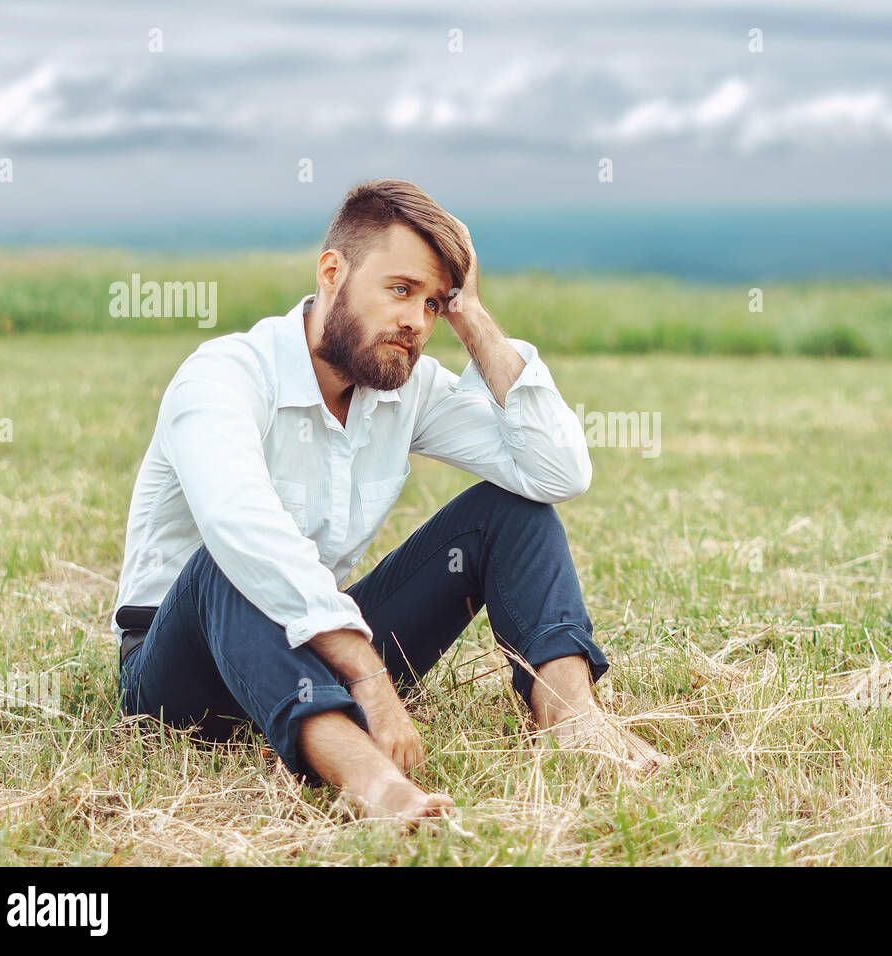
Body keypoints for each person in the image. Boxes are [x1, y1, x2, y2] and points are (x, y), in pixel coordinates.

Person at [113, 179, 667, 827]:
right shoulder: (225, 374)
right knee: (226, 558)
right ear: (332, 272)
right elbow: (241, 528)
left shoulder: (405, 389)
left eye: (434, 303)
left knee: (514, 514)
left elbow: (555, 471)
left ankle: (572, 720)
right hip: (180, 675)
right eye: (400, 290)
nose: (416, 321)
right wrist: (369, 677)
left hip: (313, 649)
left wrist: (474, 319)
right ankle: (371, 781)